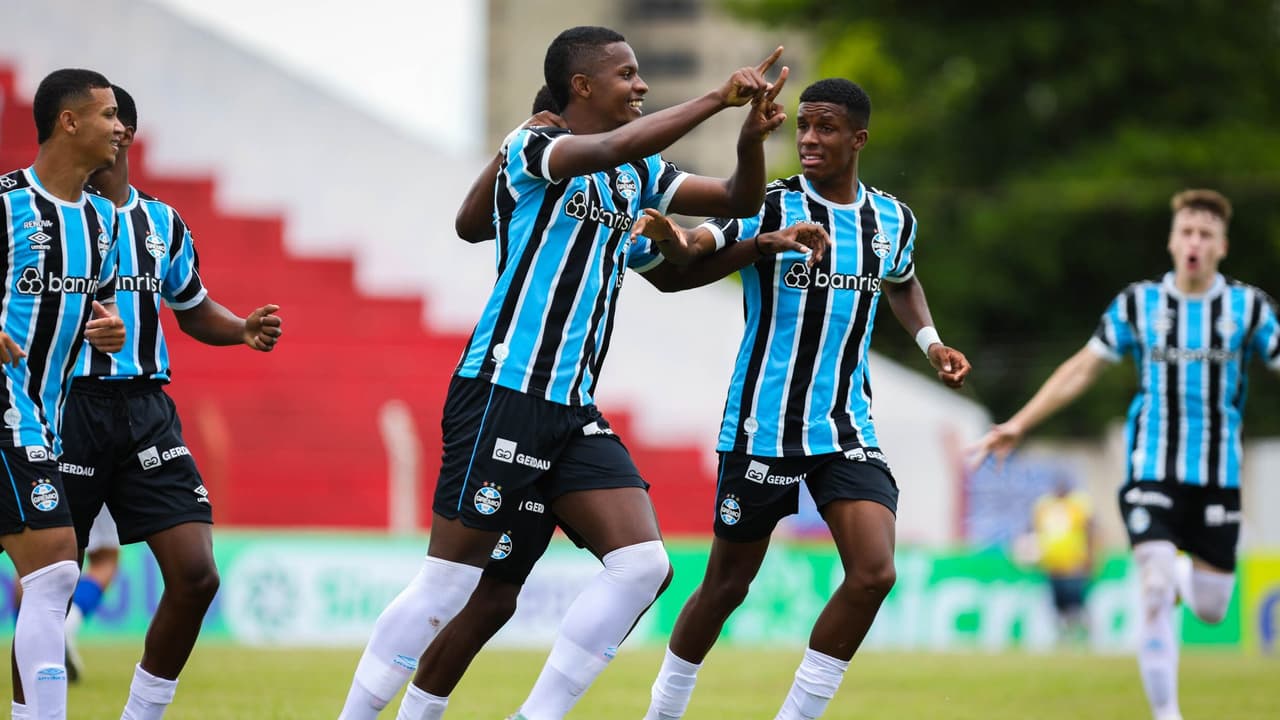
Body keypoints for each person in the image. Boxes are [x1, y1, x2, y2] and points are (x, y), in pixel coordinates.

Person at [339, 25, 789, 720]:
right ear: (582, 86)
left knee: (643, 567)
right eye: (627, 74)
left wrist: (750, 139)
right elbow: (608, 147)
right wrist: (714, 98)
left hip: (569, 408)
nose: (640, 85)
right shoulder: (535, 147)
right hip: (505, 390)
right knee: (450, 586)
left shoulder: (639, 179)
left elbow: (734, 201)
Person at [628, 77, 971, 720]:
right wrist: (670, 239)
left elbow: (902, 280)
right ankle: (664, 711)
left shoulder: (891, 218)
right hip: (763, 426)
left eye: (825, 128)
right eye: (803, 127)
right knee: (727, 586)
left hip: (845, 427)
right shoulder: (772, 204)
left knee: (875, 572)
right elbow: (696, 249)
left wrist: (930, 342)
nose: (809, 139)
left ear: (858, 139)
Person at [969, 189, 1280, 720]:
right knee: (1154, 585)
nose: (1195, 243)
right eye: (1186, 232)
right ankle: (1167, 714)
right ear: (1171, 239)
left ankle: (1184, 579)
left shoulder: (1247, 308)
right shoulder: (1140, 304)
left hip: (1218, 475)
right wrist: (1019, 422)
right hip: (1150, 467)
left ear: (1222, 246)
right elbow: (1082, 369)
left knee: (1210, 608)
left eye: (1206, 235)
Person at [39, 84, 283, 720]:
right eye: (105, 115)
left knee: (197, 574)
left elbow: (192, 307)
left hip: (147, 412)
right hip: (68, 407)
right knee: (50, 584)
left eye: (119, 118)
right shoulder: (52, 218)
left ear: (127, 134)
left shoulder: (162, 224)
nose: (113, 127)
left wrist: (241, 329)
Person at [2, 67, 126, 720]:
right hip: (5, 411)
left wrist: (104, 326)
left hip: (45, 416)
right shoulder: (4, 204)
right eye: (108, 115)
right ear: (68, 122)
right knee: (54, 570)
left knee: (49, 576)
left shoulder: (102, 225)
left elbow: (83, 306)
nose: (121, 126)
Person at [1029, 474, 1095, 645]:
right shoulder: (1044, 506)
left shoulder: (1078, 504)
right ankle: (1065, 637)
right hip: (1052, 564)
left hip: (1074, 564)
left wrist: (1090, 556)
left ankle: (1084, 636)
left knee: (1075, 603)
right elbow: (1034, 531)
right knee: (1058, 605)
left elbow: (1090, 531)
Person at [61, 506, 121, 682]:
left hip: (37, 485)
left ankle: (33, 646)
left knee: (34, 561)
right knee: (105, 558)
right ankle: (68, 621)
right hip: (93, 481)